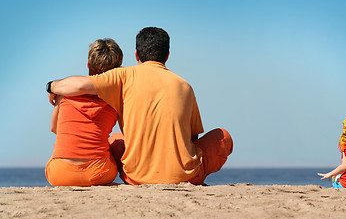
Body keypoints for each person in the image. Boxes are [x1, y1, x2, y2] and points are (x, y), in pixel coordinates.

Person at [46, 27, 233, 185]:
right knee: (223, 136)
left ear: (136, 54)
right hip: (182, 176)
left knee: (116, 140)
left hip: (136, 176)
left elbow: (80, 85)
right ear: (167, 55)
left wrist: (52, 87)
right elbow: (193, 137)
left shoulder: (122, 77)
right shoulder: (185, 86)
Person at [45, 38, 123, 186]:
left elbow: (54, 128)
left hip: (59, 174)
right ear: (118, 69)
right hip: (98, 174)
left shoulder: (63, 92)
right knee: (117, 137)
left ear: (88, 65)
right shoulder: (115, 97)